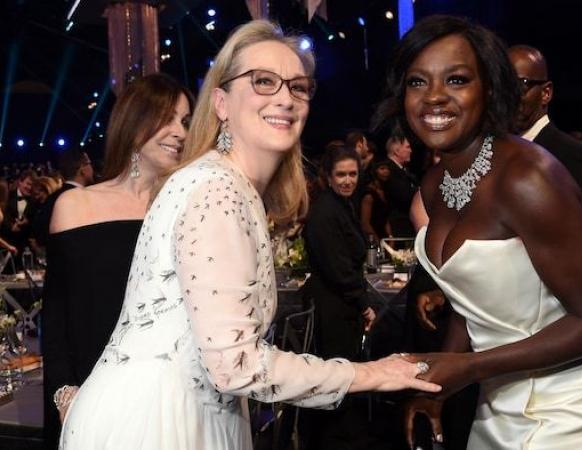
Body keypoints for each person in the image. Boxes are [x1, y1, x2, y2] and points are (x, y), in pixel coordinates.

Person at [58, 20, 439, 450]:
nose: (284, 97)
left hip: (179, 413)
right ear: (221, 102)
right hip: (161, 425)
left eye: (298, 87)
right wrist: (367, 373)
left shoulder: (221, 182)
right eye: (263, 81)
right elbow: (237, 365)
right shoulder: (216, 188)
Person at [374, 15, 582, 449]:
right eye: (417, 82)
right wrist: (444, 385)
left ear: (491, 89)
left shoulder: (528, 176)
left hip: (576, 408)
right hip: (500, 402)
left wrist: (470, 369)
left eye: (457, 79)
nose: (435, 97)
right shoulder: (435, 183)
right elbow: (469, 298)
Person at [42, 73, 194, 450]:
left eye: (186, 121)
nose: (180, 132)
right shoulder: (75, 205)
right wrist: (64, 393)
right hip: (92, 405)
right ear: (135, 120)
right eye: (168, 118)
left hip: (169, 404)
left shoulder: (185, 208)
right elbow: (57, 311)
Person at [301, 146, 377, 449]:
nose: (348, 180)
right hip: (331, 306)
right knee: (336, 375)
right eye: (341, 174)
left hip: (341, 303)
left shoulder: (343, 205)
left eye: (353, 174)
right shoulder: (324, 212)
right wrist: (364, 304)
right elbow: (339, 269)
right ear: (328, 177)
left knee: (345, 373)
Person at [508, 45, 582, 242]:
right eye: (501, 86)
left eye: (520, 85)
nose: (509, 96)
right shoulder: (489, 154)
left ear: (546, 93)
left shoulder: (574, 156)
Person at [360, 159, 392, 240]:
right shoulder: (369, 195)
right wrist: (376, 241)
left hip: (384, 237)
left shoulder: (385, 191)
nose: (386, 171)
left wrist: (390, 237)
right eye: (382, 169)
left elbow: (385, 217)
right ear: (374, 171)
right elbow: (365, 223)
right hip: (372, 238)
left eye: (387, 169)